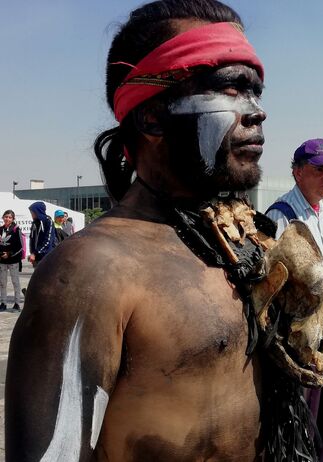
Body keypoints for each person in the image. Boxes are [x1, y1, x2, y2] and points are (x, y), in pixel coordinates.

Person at [5, 1, 275, 460]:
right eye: (229, 89)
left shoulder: (237, 242)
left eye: (255, 92)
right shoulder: (92, 270)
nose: (256, 112)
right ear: (152, 116)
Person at [266, 138, 323, 462]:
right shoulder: (283, 216)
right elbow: (271, 286)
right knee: (301, 427)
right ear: (298, 172)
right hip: (303, 346)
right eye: (319, 169)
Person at [0, 210, 24, 311]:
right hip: (2, 261)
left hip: (13, 260)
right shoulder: (0, 229)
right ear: (2, 218)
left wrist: (9, 254)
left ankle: (17, 303)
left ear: (13, 219)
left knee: (15, 282)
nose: (7, 219)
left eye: (10, 217)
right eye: (6, 217)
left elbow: (20, 246)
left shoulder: (16, 230)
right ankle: (3, 303)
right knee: (2, 283)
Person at [27, 201, 56, 267]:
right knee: (37, 277)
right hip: (36, 257)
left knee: (46, 276)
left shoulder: (48, 221)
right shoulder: (34, 223)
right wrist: (32, 253)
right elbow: (32, 239)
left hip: (46, 257)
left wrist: (35, 253)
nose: (31, 214)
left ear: (38, 211)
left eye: (32, 212)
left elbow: (48, 241)